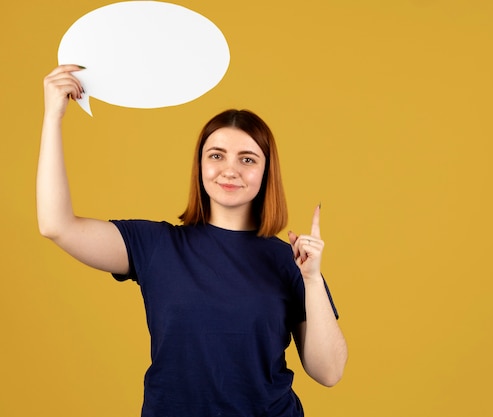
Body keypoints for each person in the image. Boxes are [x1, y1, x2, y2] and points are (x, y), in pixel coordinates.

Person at [37, 65, 348, 417]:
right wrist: (53, 116)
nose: (229, 169)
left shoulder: (290, 261)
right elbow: (56, 225)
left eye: (247, 159)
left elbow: (329, 372)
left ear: (266, 172)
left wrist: (311, 280)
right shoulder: (156, 245)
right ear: (200, 165)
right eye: (216, 155)